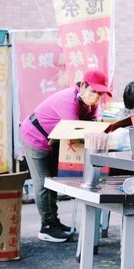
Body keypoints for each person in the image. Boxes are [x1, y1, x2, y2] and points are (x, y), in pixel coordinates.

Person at [19, 69, 112, 243]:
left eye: (100, 94)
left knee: (52, 180)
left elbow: (92, 123)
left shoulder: (89, 101)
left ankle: (54, 221)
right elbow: (75, 131)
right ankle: (46, 227)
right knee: (44, 182)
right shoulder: (68, 101)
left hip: (54, 140)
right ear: (83, 85)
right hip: (34, 136)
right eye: (94, 92)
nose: (97, 97)